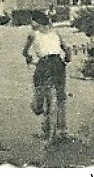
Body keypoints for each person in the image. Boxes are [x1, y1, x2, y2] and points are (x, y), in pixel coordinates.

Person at [23, 9, 71, 144]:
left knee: (40, 88)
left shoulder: (33, 34)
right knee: (60, 97)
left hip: (44, 64)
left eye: (32, 21)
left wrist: (29, 58)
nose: (30, 23)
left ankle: (38, 106)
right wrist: (67, 59)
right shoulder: (56, 33)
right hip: (58, 63)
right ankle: (62, 130)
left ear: (36, 22)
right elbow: (67, 50)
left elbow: (24, 51)